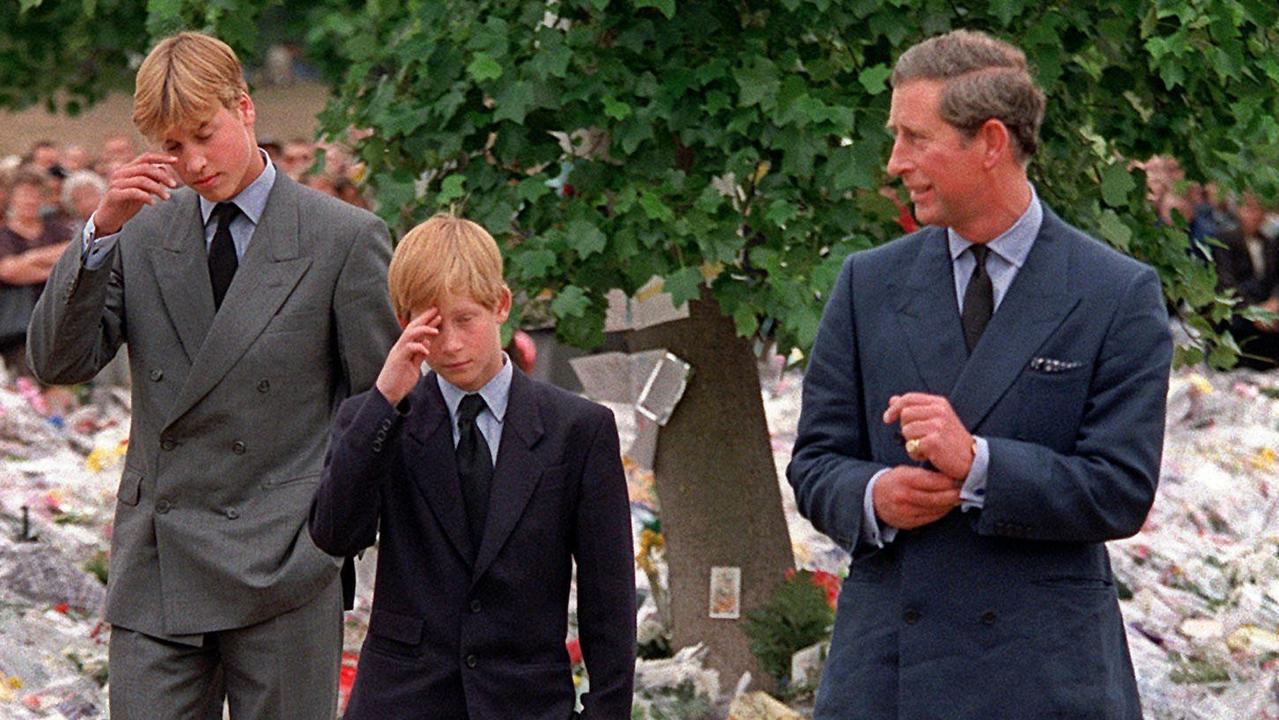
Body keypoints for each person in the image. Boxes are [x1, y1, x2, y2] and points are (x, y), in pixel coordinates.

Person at [788, 29, 1172, 720]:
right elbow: (814, 463)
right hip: (889, 674)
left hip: (1042, 673)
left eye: (915, 138)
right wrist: (873, 495)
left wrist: (979, 466)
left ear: (990, 142)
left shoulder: (1113, 292)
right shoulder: (867, 284)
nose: (894, 162)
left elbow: (1120, 490)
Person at [26, 31, 399, 719]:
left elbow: (378, 412)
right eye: (171, 147)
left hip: (286, 565)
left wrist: (332, 542)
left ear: (245, 108)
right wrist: (100, 231)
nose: (194, 162)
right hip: (158, 563)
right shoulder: (139, 229)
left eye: (205, 133)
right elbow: (58, 362)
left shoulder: (342, 238)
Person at [310, 214, 636, 720]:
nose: (452, 344)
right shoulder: (378, 419)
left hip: (525, 700)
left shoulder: (578, 429)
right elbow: (334, 533)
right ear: (406, 323)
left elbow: (608, 598)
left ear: (501, 305)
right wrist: (384, 400)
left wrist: (604, 713)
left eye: (466, 321)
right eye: (433, 326)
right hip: (403, 699)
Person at [0, 173, 71, 375]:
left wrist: (29, 258)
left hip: (59, 318)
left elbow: (73, 255)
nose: (30, 200)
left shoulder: (58, 229)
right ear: (12, 198)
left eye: (35, 195)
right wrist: (54, 268)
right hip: (18, 327)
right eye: (24, 195)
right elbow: (8, 270)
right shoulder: (4, 235)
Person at [1214, 192, 1279, 369]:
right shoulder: (1224, 240)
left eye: (1259, 210)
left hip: (1268, 319)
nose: (1255, 215)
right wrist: (1255, 313)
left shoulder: (1270, 243)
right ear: (1239, 210)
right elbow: (1225, 284)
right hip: (1238, 318)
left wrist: (1274, 302)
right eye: (1249, 209)